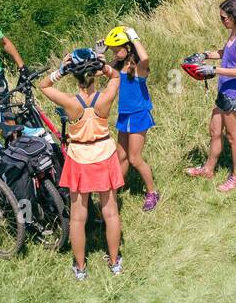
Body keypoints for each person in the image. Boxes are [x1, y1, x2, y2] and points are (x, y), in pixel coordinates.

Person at [39, 48, 124, 279]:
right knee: (111, 212)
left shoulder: (70, 102)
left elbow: (43, 86)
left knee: (78, 217)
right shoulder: (105, 98)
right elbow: (116, 76)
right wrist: (102, 66)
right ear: (94, 74)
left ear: (75, 75)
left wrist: (61, 71)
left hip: (79, 158)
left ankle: (80, 267)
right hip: (104, 154)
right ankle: (115, 262)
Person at [185, 0, 236, 193]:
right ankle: (208, 169)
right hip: (225, 90)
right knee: (215, 130)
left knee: (233, 137)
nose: (221, 20)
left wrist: (212, 70)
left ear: (235, 17)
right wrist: (204, 55)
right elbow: (227, 52)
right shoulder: (234, 34)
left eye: (224, 17)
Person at [104, 26, 160, 212]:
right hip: (124, 115)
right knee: (121, 156)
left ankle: (152, 192)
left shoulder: (139, 67)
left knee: (135, 158)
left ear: (128, 47)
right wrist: (100, 53)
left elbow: (145, 57)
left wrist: (133, 36)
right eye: (112, 51)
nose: (115, 54)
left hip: (138, 115)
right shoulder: (118, 64)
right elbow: (97, 71)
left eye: (117, 50)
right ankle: (115, 190)